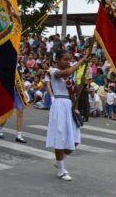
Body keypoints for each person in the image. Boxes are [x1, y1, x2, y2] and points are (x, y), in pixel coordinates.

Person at [46, 50, 88, 181]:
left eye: (69, 59)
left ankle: (59, 161)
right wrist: (81, 61)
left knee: (75, 140)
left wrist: (82, 83)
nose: (68, 62)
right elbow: (67, 72)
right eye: (65, 59)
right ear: (57, 60)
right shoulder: (53, 71)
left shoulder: (69, 77)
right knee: (60, 137)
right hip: (59, 104)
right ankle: (61, 170)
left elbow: (76, 91)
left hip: (69, 105)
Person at [0, 70, 29, 143]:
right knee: (8, 112)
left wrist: (25, 91)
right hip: (9, 91)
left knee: (20, 112)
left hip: (18, 92)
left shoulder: (19, 66)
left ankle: (19, 135)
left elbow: (21, 78)